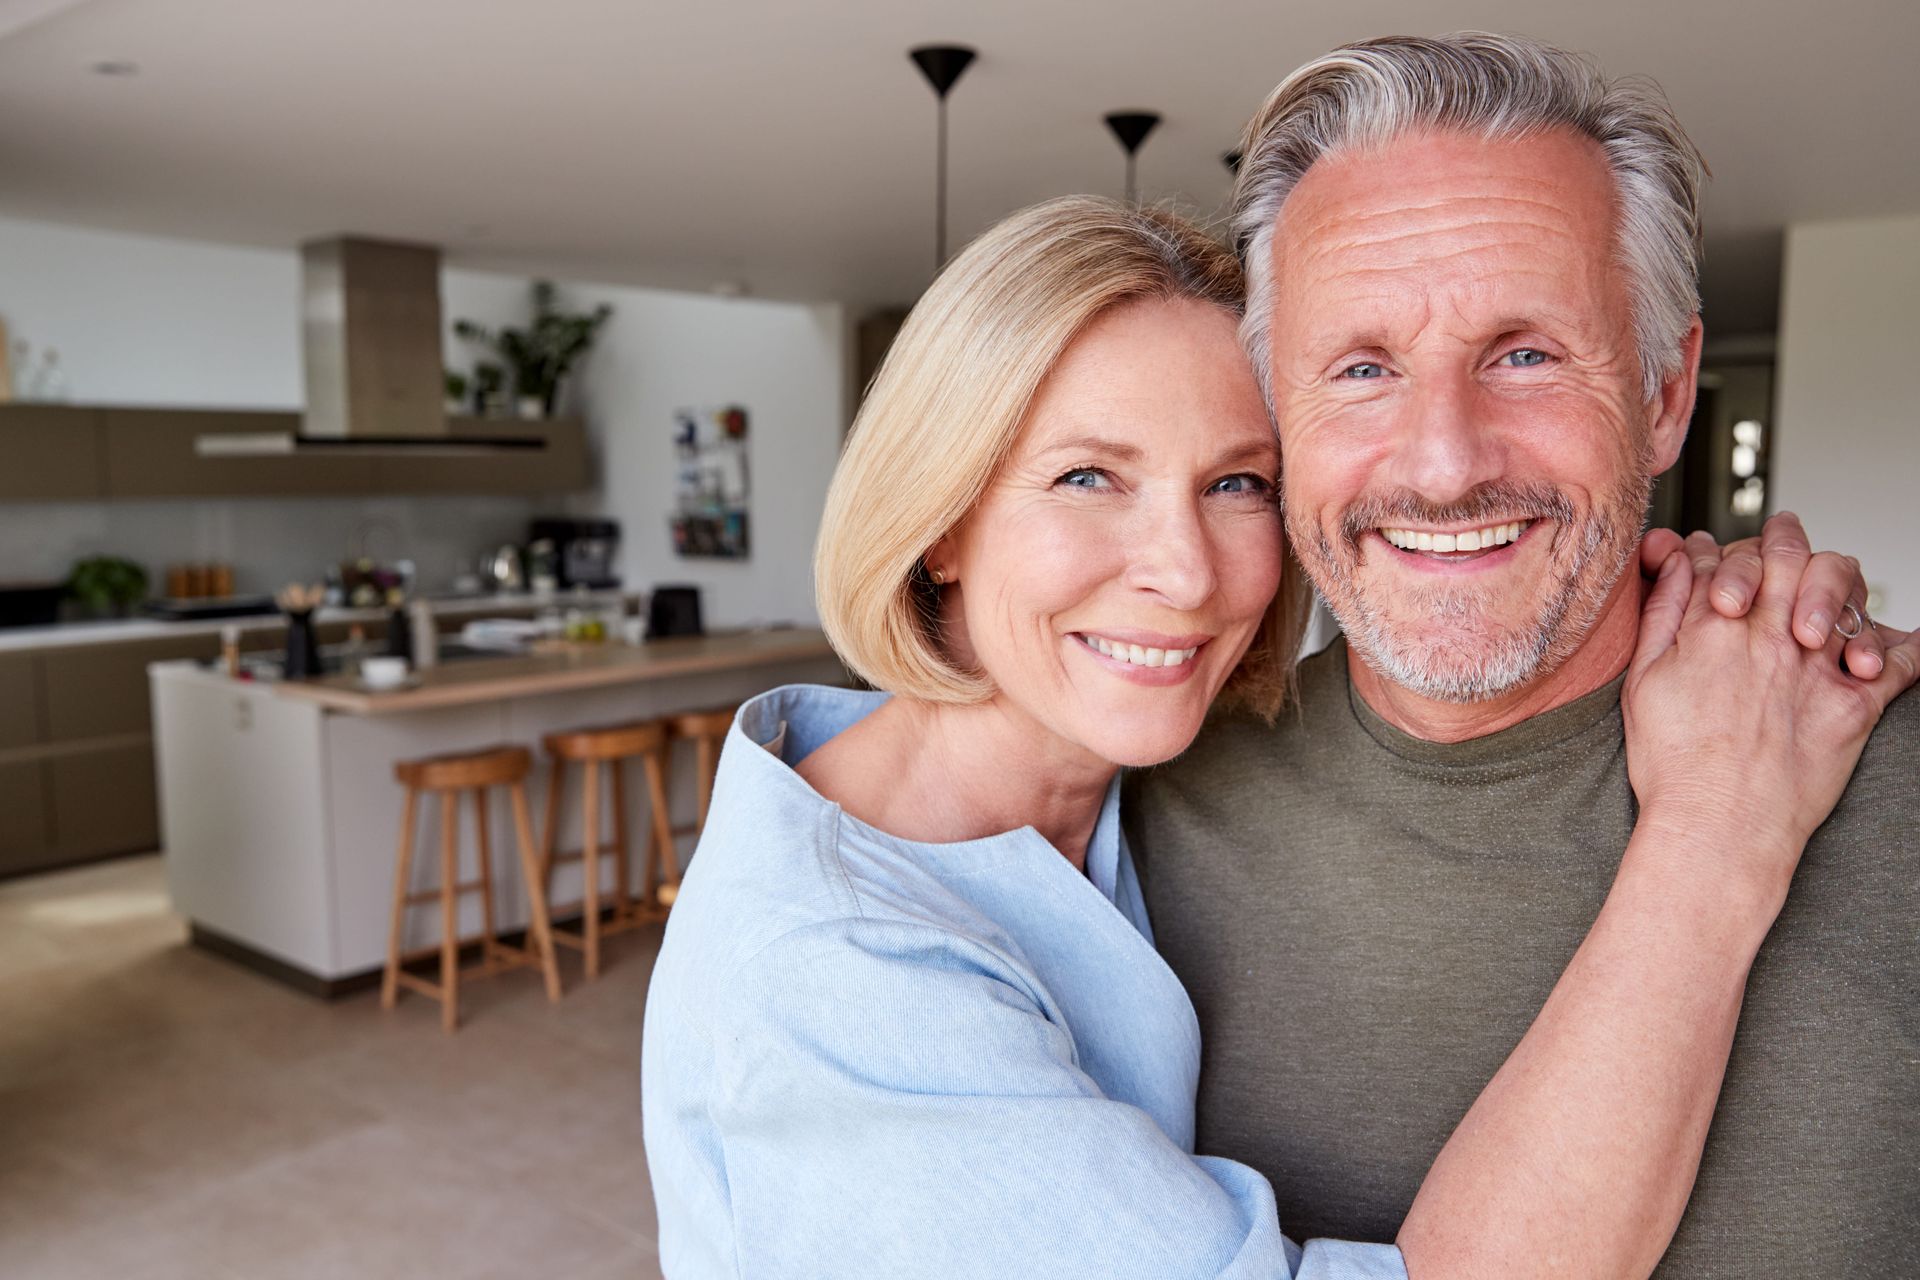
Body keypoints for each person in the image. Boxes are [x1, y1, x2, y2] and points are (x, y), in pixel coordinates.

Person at [640, 193, 1914, 1278]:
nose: (1186, 572)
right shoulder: (832, 975)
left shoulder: (1116, 788)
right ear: (940, 520)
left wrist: (1716, 616)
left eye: (1237, 481)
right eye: (1088, 476)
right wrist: (1716, 824)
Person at [1124, 32, 1920, 1279]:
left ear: (1666, 394)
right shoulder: (1135, 814)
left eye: (1527, 354)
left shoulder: (1893, 780)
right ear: (1277, 410)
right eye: (1363, 367)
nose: (1444, 463)